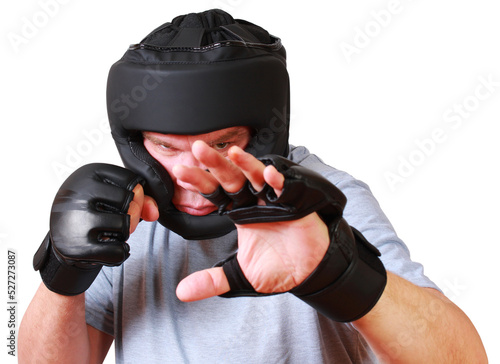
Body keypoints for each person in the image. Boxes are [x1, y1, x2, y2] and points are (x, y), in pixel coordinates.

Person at [19, 9, 487, 364]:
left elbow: (463, 359)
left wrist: (342, 275)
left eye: (221, 144)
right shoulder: (125, 211)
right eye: (165, 146)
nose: (191, 173)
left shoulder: (319, 203)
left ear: (264, 134)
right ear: (137, 142)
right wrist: (64, 273)